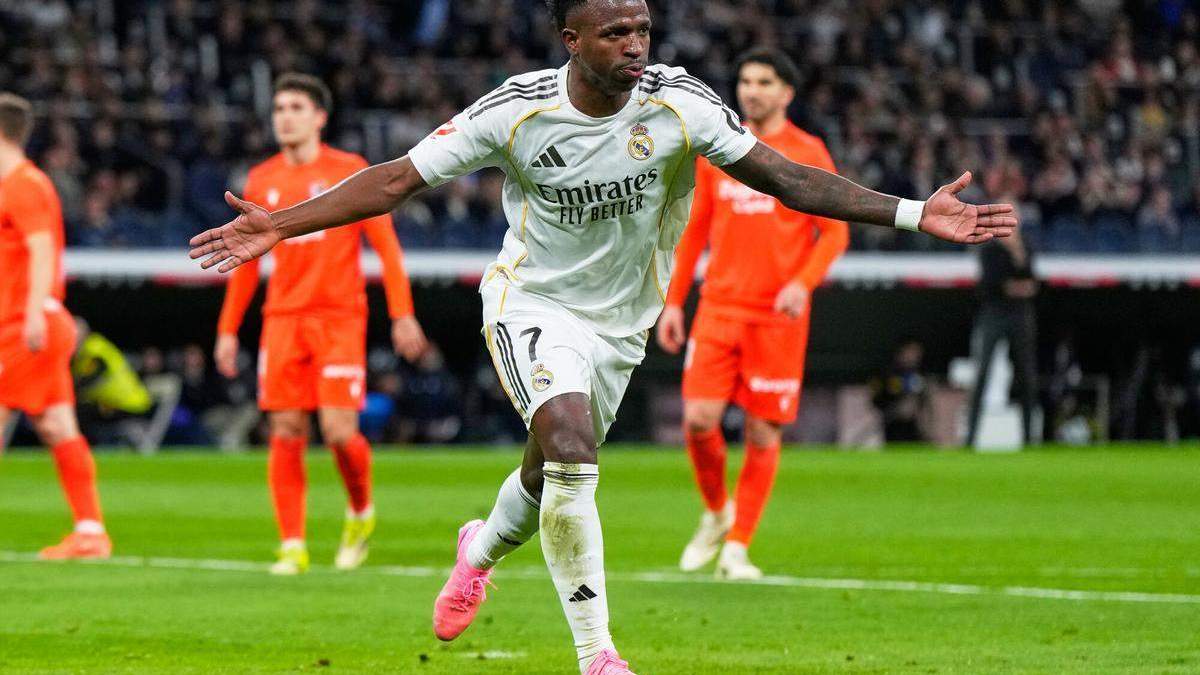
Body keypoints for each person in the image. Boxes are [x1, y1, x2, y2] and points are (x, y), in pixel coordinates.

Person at [188, 2, 1017, 670]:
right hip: (532, 304)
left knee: (549, 473)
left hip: (623, 323)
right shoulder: (515, 113)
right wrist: (283, 225)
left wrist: (913, 211)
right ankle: (599, 655)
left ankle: (479, 545)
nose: (635, 44)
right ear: (571, 39)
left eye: (644, 29)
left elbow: (785, 177)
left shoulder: (681, 102)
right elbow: (397, 177)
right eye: (616, 31)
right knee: (572, 447)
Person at [213, 74, 428, 575]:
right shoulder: (261, 179)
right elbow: (244, 263)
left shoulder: (349, 172)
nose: (284, 116)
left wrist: (402, 314)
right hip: (283, 320)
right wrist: (228, 329)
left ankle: (359, 510)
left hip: (338, 319)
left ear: (319, 117)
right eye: (278, 108)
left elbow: (387, 249)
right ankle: (292, 544)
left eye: (295, 107)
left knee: (336, 430)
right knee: (285, 428)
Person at [655, 48, 848, 580]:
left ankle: (738, 548)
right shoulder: (719, 145)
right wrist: (673, 303)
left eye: (764, 81)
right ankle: (717, 512)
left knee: (763, 434)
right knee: (698, 421)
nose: (752, 90)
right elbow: (693, 232)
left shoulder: (807, 152)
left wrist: (801, 284)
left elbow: (835, 231)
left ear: (787, 93)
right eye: (745, 80)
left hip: (776, 317)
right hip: (718, 307)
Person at [0, 93, 110, 559]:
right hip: (31, 319)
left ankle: (91, 531)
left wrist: (32, 313)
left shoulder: (23, 184)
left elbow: (44, 250)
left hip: (25, 324)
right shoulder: (16, 184)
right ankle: (90, 531)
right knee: (57, 425)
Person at [965, 223, 1038, 446]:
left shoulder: (1025, 246)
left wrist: (1017, 254)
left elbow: (1032, 282)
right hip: (993, 314)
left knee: (1026, 375)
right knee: (982, 374)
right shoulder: (989, 249)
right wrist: (1016, 287)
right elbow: (992, 284)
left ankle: (1029, 438)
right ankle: (971, 438)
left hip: (1020, 315)